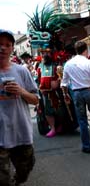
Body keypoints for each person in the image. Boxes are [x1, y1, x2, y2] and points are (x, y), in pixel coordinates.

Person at [0, 30, 39, 186]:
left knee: (25, 170)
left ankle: (17, 180)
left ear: (12, 49)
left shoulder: (21, 71)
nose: (2, 48)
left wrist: (21, 91)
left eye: (7, 45)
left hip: (20, 133)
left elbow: (36, 100)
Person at [61, 41, 90, 154]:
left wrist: (65, 94)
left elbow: (64, 82)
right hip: (89, 91)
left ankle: (86, 146)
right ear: (85, 50)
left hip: (76, 93)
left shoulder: (68, 64)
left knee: (82, 120)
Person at [37, 49, 60, 138]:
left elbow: (61, 77)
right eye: (43, 53)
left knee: (58, 110)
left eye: (47, 53)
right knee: (47, 111)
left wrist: (57, 82)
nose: (45, 55)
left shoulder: (56, 66)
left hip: (56, 92)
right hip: (45, 93)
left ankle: (58, 127)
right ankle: (53, 128)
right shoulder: (39, 66)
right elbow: (38, 79)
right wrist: (39, 87)